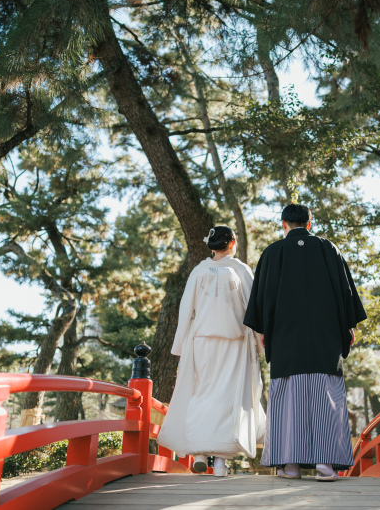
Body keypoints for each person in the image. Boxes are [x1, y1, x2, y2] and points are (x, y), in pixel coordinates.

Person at [244, 204, 367, 481]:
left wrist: (265, 330)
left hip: (286, 339)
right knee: (327, 398)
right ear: (309, 224)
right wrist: (348, 326)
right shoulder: (328, 249)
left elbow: (263, 298)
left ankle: (290, 466)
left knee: (289, 400)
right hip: (326, 339)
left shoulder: (273, 252)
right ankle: (326, 466)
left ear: (284, 224)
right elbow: (345, 292)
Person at [156, 226, 265, 477]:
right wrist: (262, 341)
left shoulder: (199, 271)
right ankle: (221, 463)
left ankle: (199, 453)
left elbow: (186, 308)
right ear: (233, 242)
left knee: (202, 392)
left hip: (202, 340)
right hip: (234, 341)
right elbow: (255, 308)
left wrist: (181, 343)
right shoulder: (241, 270)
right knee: (228, 396)